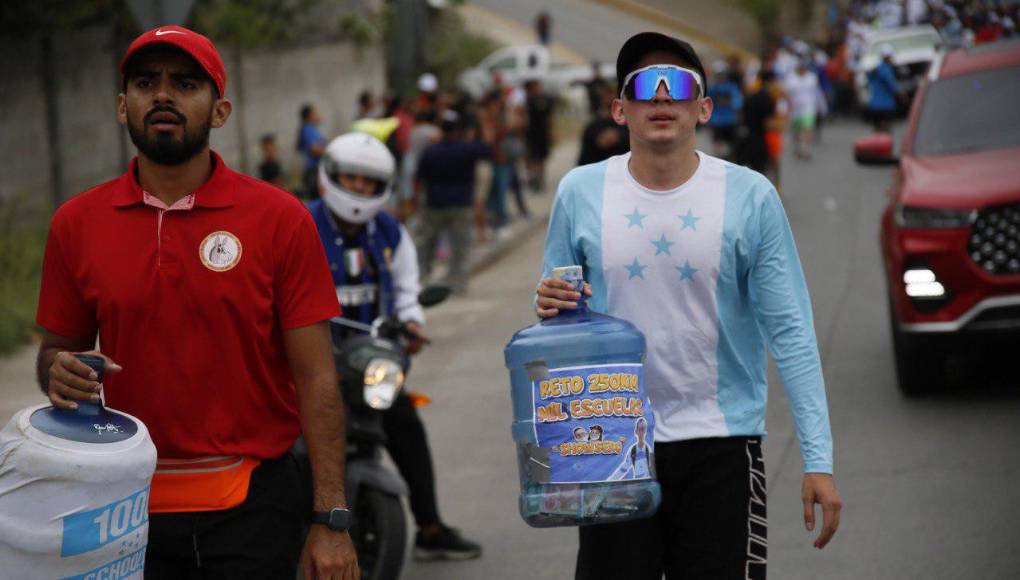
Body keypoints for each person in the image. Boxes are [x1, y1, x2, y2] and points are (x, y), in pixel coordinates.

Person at [34, 25, 358, 578]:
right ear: (122, 106)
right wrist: (57, 372)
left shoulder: (280, 219)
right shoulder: (75, 225)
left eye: (185, 83)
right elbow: (54, 356)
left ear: (220, 111)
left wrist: (330, 518)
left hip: (253, 504)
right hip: (123, 505)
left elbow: (317, 379)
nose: (162, 95)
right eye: (145, 82)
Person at [535, 32, 841, 579]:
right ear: (618, 108)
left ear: (702, 107)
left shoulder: (750, 196)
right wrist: (550, 306)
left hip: (720, 445)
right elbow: (561, 326)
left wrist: (817, 459)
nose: (660, 99)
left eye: (676, 85)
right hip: (612, 447)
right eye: (643, 87)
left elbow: (790, 331)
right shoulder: (579, 192)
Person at [307, 131, 482, 561]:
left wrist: (412, 323)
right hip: (310, 367)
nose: (360, 189)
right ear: (330, 176)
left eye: (369, 182)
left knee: (407, 426)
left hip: (369, 364)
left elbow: (407, 289)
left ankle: (429, 525)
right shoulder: (300, 224)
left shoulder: (389, 230)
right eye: (351, 178)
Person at [415, 112, 493, 294]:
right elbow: (488, 147)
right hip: (461, 205)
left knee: (427, 244)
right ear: (458, 129)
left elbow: (419, 178)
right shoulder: (466, 148)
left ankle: (423, 280)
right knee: (461, 246)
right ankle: (458, 284)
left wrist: (416, 200)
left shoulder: (431, 150)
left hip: (434, 204)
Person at [784, 58, 824, 160]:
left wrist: (822, 106)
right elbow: (786, 94)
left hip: (809, 107)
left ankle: (806, 149)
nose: (802, 68)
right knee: (796, 131)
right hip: (795, 109)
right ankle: (798, 148)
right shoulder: (790, 78)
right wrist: (785, 109)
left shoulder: (812, 77)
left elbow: (817, 92)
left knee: (807, 128)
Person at [739, 70, 776, 176]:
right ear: (770, 82)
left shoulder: (751, 96)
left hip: (746, 139)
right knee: (760, 172)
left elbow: (742, 115)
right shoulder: (768, 99)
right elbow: (768, 124)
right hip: (760, 140)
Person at [706, 61, 743, 161]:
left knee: (726, 149)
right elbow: (738, 105)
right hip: (721, 122)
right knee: (722, 150)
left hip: (724, 122)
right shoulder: (715, 87)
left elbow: (738, 104)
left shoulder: (717, 87)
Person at [524, 79, 554, 193]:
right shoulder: (528, 100)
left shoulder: (544, 100)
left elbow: (549, 118)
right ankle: (535, 180)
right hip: (531, 133)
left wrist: (551, 132)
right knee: (533, 158)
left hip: (542, 133)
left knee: (541, 159)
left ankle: (540, 181)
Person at [866, 44, 899, 133]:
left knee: (877, 131)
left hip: (874, 106)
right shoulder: (887, 70)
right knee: (886, 131)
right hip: (887, 106)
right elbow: (892, 86)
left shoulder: (874, 70)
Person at [297, 102, 328, 199]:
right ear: (309, 116)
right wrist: (330, 151)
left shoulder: (313, 129)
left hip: (317, 170)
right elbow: (314, 150)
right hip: (313, 172)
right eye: (315, 113)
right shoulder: (307, 129)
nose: (318, 115)